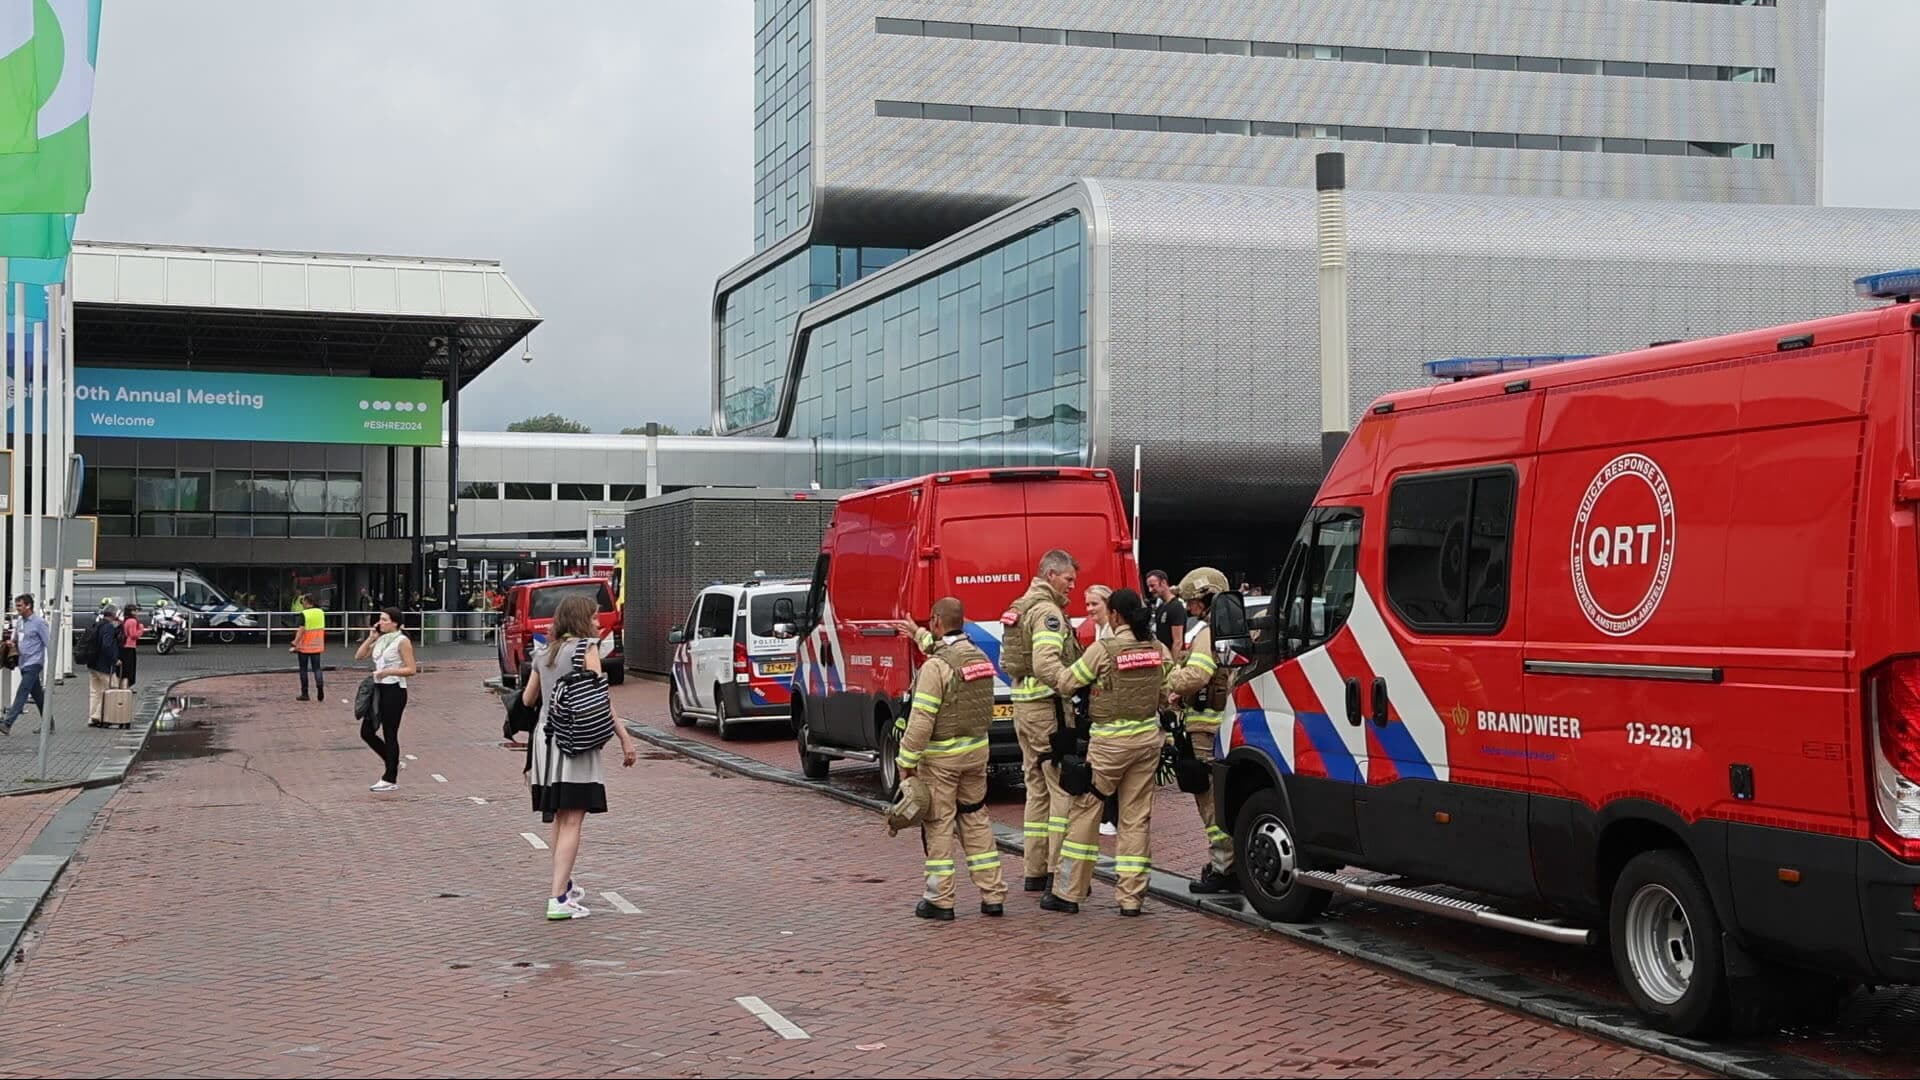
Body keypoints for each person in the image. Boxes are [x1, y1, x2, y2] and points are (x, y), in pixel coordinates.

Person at [1043, 588, 1170, 916]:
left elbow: (1068, 683)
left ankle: (1068, 892)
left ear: (1115, 615)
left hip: (1109, 746)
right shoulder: (1156, 648)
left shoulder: (1103, 650)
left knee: (1085, 811)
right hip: (1147, 742)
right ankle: (1131, 898)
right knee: (1136, 818)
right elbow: (1169, 686)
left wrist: (1050, 666)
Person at [887, 597, 1008, 921]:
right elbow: (943, 649)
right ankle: (993, 894)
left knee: (939, 824)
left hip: (942, 760)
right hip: (976, 754)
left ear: (937, 622)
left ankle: (940, 899)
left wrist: (906, 762)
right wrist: (917, 634)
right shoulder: (978, 656)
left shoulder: (934, 668)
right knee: (975, 818)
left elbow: (922, 720)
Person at [522, 593, 639, 920]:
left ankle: (565, 887)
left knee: (561, 817)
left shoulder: (544, 651)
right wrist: (625, 737)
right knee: (573, 818)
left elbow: (528, 699)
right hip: (574, 741)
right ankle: (557, 898)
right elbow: (600, 700)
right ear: (581, 620)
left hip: (546, 741)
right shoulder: (586, 649)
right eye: (593, 617)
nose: (598, 622)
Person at [1000, 549, 1081, 895]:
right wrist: (1074, 683)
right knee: (1060, 788)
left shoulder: (1020, 607)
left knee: (1035, 788)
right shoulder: (1048, 612)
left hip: (1023, 708)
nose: (1073, 586)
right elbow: (1046, 663)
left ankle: (1033, 870)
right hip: (1048, 710)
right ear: (1051, 575)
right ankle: (1057, 871)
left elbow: (1008, 662)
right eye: (1068, 579)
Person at [1167, 567, 1239, 895]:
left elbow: (1196, 675)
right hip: (1225, 725)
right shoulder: (1233, 628)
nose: (1189, 608)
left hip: (1205, 730)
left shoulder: (1210, 633)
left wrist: (1172, 680)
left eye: (1193, 601)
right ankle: (1233, 863)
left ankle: (1223, 869)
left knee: (1209, 802)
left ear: (1208, 597)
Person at [1072, 586, 1121, 837]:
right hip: (1101, 707)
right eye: (1087, 604)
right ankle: (1109, 815)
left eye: (1094, 604)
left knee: (1108, 766)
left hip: (1112, 710)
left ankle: (1111, 817)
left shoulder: (1111, 633)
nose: (1089, 609)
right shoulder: (1099, 630)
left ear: (1108, 605)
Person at [355, 608, 417, 792]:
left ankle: (390, 778)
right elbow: (359, 656)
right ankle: (393, 761)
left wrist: (389, 671)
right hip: (378, 689)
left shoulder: (402, 641)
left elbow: (411, 669)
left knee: (390, 733)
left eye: (384, 620)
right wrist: (370, 638)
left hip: (394, 689)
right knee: (366, 731)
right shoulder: (381, 639)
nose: (380, 623)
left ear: (395, 623)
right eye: (380, 619)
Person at [1, 594, 51, 736]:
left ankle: (7, 723)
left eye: (19, 605)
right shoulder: (20, 622)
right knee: (38, 696)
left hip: (34, 662)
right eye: (16, 605)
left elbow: (49, 643)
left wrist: (50, 667)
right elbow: (16, 639)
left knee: (23, 691)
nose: (17, 608)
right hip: (23, 662)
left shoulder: (39, 623)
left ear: (28, 606)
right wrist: (11, 643)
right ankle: (49, 723)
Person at [85, 602, 123, 728]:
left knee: (95, 692)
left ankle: (91, 717)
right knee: (112, 689)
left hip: (92, 663)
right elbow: (107, 645)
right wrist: (114, 659)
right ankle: (98, 715)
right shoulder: (108, 627)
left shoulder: (97, 624)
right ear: (114, 614)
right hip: (104, 665)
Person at [291, 593, 327, 702]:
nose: (302, 603)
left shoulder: (304, 614)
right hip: (317, 645)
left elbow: (301, 630)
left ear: (307, 602)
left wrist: (295, 643)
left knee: (303, 669)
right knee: (317, 668)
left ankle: (305, 693)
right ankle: (319, 685)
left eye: (303, 601)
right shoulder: (320, 613)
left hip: (304, 646)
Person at [1146, 570, 1187, 651]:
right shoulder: (1160, 607)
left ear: (1163, 582)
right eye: (1149, 587)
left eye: (1152, 586)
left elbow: (1178, 642)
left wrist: (1172, 659)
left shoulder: (1176, 607)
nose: (1150, 590)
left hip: (1172, 656)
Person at [118, 604, 144, 690]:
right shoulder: (132, 621)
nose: (136, 612)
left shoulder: (125, 620)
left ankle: (122, 686)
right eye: (135, 610)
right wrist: (141, 630)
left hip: (123, 646)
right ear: (131, 611)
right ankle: (126, 688)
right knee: (129, 669)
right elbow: (133, 635)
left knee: (124, 668)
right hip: (129, 646)